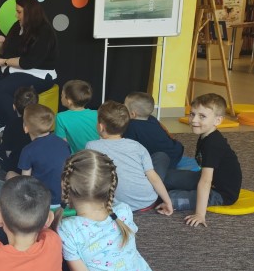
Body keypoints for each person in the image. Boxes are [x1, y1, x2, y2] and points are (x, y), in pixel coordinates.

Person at [0, 0, 58, 134]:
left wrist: (4, 61)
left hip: (39, 74)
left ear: (30, 12)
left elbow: (28, 62)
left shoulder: (44, 32)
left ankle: (16, 126)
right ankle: (2, 120)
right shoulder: (18, 26)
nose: (16, 15)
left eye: (19, 12)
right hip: (15, 69)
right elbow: (7, 46)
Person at [166, 93, 242, 227]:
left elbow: (206, 181)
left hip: (220, 193)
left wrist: (200, 214)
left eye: (202, 116)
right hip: (205, 179)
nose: (194, 120)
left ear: (217, 121)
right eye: (192, 114)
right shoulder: (206, 135)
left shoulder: (213, 144)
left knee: (169, 198)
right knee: (166, 177)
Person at [86, 101, 173, 214]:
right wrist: (168, 202)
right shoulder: (137, 146)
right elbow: (153, 178)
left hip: (114, 205)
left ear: (101, 126)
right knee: (161, 157)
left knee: (160, 159)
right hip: (146, 201)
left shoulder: (91, 146)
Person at [17, 104, 71, 206]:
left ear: (26, 128)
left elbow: (25, 181)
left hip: (41, 203)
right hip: (64, 200)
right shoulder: (64, 144)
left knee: (10, 175)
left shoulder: (28, 150)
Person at [123, 92, 184, 181]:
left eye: (125, 107)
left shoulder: (131, 126)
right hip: (176, 151)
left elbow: (127, 146)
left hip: (162, 158)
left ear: (133, 114)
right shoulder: (152, 118)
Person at [0, 86, 34, 173]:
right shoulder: (37, 123)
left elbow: (7, 152)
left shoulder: (11, 124)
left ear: (14, 106)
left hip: (16, 166)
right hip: (33, 164)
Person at [55, 80, 99, 153]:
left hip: (77, 158)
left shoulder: (61, 117)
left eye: (62, 95)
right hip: (97, 156)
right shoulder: (97, 114)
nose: (61, 97)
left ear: (69, 101)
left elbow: (61, 143)